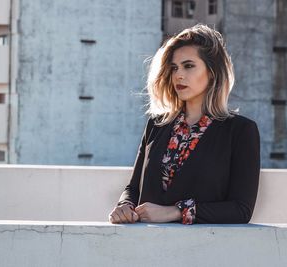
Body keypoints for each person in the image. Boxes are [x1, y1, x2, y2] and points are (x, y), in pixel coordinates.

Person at [109, 24, 260, 224]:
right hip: (145, 245)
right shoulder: (157, 125)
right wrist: (124, 207)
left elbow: (241, 210)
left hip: (202, 249)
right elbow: (134, 188)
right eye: (174, 67)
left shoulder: (241, 131)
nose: (178, 75)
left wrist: (175, 212)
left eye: (188, 66)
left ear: (212, 72)